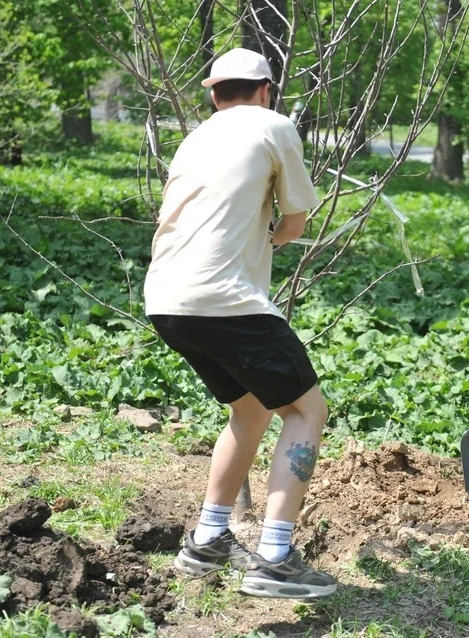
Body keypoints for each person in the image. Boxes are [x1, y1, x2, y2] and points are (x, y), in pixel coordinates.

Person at [143, 47, 336, 598]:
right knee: (305, 410)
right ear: (266, 91)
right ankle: (275, 555)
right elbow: (295, 221)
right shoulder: (274, 124)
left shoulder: (196, 138)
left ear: (212, 95)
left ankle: (208, 538)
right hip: (225, 299)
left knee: (249, 409)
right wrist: (270, 236)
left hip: (165, 298)